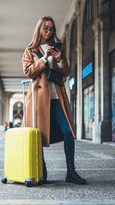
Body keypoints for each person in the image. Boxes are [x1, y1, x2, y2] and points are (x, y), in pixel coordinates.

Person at [22, 16, 87, 185]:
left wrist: (60, 59)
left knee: (68, 131)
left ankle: (71, 172)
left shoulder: (58, 48)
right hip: (39, 98)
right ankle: (41, 171)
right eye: (46, 28)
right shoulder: (30, 50)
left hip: (57, 97)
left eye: (51, 29)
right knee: (39, 135)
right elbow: (28, 72)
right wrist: (44, 59)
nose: (49, 32)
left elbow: (65, 72)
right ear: (39, 29)